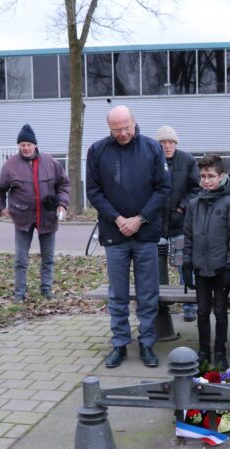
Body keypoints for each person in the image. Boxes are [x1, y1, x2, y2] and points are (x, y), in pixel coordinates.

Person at [86, 106, 170, 369]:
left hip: (145, 234)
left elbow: (163, 188)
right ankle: (120, 343)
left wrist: (140, 219)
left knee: (148, 293)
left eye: (127, 127)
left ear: (135, 122)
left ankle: (146, 343)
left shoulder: (152, 149)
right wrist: (118, 219)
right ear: (109, 128)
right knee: (118, 294)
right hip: (114, 234)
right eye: (117, 129)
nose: (123, 133)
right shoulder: (98, 151)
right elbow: (94, 191)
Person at [0, 123, 70, 302]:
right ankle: (19, 293)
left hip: (47, 216)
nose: (26, 148)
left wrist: (62, 204)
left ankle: (46, 289)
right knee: (21, 259)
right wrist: (0, 207)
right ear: (19, 146)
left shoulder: (50, 162)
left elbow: (64, 185)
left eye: (29, 144)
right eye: (22, 145)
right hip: (22, 217)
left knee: (48, 257)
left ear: (35, 145)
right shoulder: (10, 166)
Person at [183, 154, 230, 370]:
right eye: (203, 176)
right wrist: (187, 264)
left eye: (211, 176)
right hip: (201, 268)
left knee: (220, 310)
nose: (207, 180)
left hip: (221, 269)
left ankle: (220, 350)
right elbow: (189, 236)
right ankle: (203, 351)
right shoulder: (194, 205)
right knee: (202, 311)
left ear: (221, 176)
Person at [156, 125, 200, 323]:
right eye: (163, 142)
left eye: (170, 142)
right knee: (155, 266)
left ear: (176, 143)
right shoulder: (152, 161)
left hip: (179, 224)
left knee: (184, 265)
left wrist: (182, 208)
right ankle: (158, 305)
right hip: (156, 224)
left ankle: (190, 305)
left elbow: (196, 188)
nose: (167, 146)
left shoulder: (188, 160)